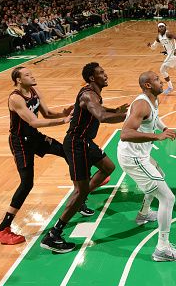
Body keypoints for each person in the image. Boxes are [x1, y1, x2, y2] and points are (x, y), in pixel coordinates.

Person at [40, 62, 128, 253]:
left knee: (108, 167)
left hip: (86, 142)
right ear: (91, 78)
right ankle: (53, 235)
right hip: (76, 144)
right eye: (101, 73)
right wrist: (126, 116)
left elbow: (101, 110)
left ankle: (81, 198)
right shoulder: (88, 94)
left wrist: (116, 110)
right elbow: (101, 116)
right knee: (80, 190)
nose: (106, 75)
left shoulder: (94, 94)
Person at [0, 67, 72, 245]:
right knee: (27, 183)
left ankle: (82, 192)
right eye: (27, 75)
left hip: (34, 137)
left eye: (31, 73)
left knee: (66, 151)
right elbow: (34, 121)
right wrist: (63, 121)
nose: (32, 76)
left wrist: (64, 113)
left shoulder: (34, 90)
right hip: (21, 143)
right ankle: (2, 229)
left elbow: (48, 114)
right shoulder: (15, 98)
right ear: (18, 80)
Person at [117, 71, 176, 262]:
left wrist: (164, 129)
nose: (161, 81)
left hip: (142, 155)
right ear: (147, 85)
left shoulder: (153, 101)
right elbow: (125, 133)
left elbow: (153, 118)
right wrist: (157, 136)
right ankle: (162, 249)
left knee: (159, 175)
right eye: (157, 80)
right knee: (168, 197)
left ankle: (144, 214)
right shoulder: (141, 104)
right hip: (133, 158)